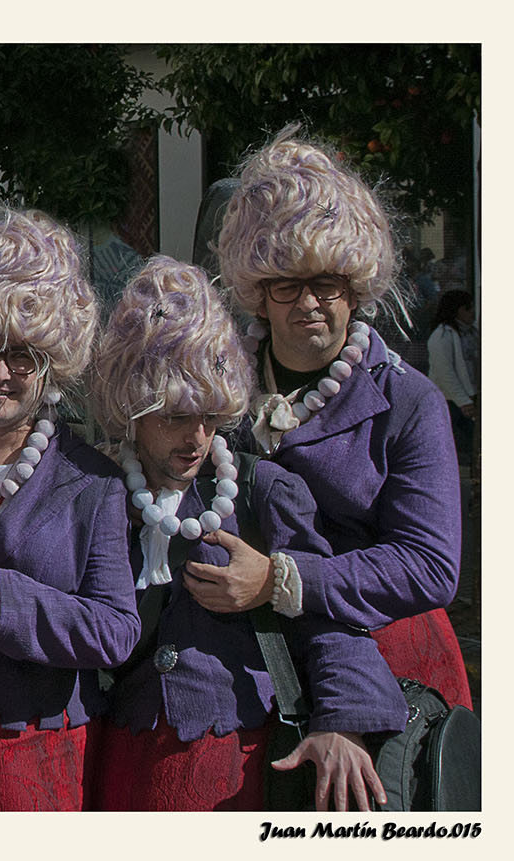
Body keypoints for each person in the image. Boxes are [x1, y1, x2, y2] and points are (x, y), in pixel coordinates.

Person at [89, 257, 407, 811]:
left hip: (239, 761)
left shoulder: (263, 490)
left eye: (211, 414)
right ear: (133, 408)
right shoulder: (94, 492)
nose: (197, 437)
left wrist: (343, 721)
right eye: (175, 415)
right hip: (120, 760)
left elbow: (327, 616)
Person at [217, 130, 472, 708]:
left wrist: (283, 579)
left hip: (386, 661)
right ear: (260, 294)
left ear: (354, 290)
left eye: (326, 284)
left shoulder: (410, 401)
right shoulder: (219, 384)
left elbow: (429, 567)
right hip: (242, 669)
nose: (309, 302)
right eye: (288, 284)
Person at [0, 209, 138, 811]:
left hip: (39, 751)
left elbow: (117, 631)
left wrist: (3, 600)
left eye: (24, 357)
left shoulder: (93, 482)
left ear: (52, 366)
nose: (0, 373)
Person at [426, 289, 477, 464]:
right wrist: (463, 401)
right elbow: (445, 372)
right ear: (456, 310)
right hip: (451, 401)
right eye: (467, 308)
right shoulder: (442, 335)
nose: (472, 313)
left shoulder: (471, 333)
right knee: (458, 449)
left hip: (468, 397)